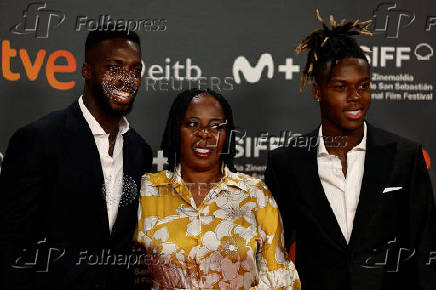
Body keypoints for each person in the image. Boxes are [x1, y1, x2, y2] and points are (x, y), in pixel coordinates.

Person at [265, 10, 436, 290]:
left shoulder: (404, 157)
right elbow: (273, 254)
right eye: (341, 87)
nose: (355, 97)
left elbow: (425, 249)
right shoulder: (287, 163)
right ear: (317, 91)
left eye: (363, 86)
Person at [0, 26, 152, 290]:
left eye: (135, 70)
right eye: (114, 67)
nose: (127, 79)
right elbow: (10, 240)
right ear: (87, 71)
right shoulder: (39, 140)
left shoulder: (139, 150)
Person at [136, 88, 300, 289]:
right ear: (176, 130)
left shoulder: (255, 195)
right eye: (193, 124)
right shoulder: (146, 191)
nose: (204, 134)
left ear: (227, 136)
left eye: (216, 126)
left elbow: (281, 279)